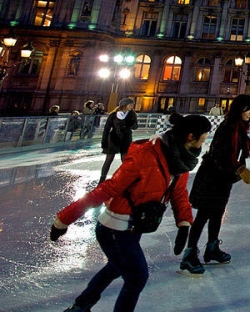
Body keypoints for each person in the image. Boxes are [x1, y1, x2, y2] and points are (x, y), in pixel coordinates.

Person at [51, 113, 211, 312]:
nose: (203, 143)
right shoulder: (146, 155)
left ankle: (80, 306)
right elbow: (109, 188)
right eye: (203, 137)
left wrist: (184, 223)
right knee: (137, 276)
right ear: (190, 137)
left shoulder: (182, 160)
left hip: (135, 226)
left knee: (115, 267)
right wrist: (64, 219)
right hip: (114, 228)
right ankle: (81, 306)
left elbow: (178, 193)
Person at [182, 94, 250, 275]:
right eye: (248, 109)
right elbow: (219, 152)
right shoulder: (228, 127)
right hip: (212, 176)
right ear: (239, 109)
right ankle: (189, 254)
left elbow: (244, 144)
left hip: (224, 177)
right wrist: (238, 167)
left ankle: (212, 248)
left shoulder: (239, 127)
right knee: (204, 215)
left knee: (217, 213)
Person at [99, 98, 138, 185]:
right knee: (109, 160)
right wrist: (104, 142)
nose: (132, 106)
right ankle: (102, 180)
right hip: (114, 139)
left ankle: (125, 180)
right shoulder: (113, 115)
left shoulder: (132, 114)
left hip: (126, 139)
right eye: (131, 104)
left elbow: (135, 126)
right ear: (125, 105)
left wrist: (132, 124)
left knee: (125, 160)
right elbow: (106, 129)